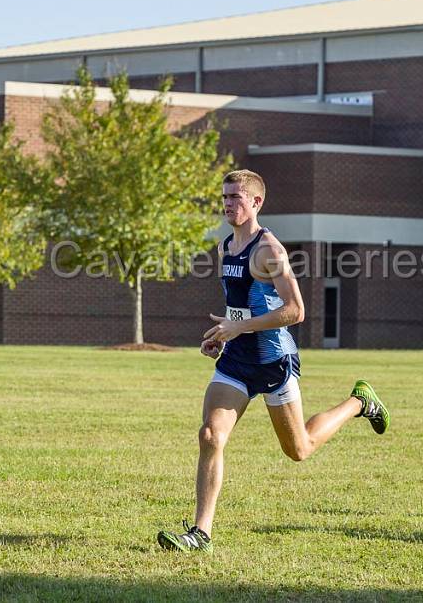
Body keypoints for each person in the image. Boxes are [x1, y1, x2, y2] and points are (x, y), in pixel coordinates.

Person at [157, 169, 389, 553]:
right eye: (225, 198)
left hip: (273, 360)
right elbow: (243, 307)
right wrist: (222, 334)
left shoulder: (270, 251)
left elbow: (295, 311)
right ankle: (201, 533)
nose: (229, 204)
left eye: (236, 197)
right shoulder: (226, 247)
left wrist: (241, 326)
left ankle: (360, 402)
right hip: (236, 361)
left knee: (300, 449)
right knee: (210, 436)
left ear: (256, 202)